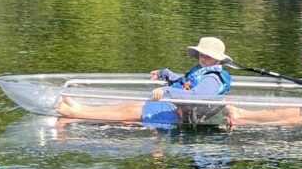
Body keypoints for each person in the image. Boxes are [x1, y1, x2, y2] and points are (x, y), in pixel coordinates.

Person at [55, 37, 233, 124]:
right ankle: (79, 109)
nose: (203, 58)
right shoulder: (202, 71)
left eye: (207, 56)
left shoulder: (212, 78)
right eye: (201, 54)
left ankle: (75, 113)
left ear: (217, 59)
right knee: (130, 106)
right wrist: (166, 74)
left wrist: (167, 91)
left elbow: (196, 97)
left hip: (180, 115)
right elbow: (186, 81)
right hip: (174, 106)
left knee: (127, 112)